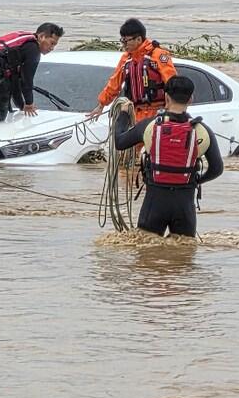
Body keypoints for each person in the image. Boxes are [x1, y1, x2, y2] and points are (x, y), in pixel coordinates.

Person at [113, 75, 223, 237]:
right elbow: (217, 169)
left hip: (154, 203)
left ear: (166, 97)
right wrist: (196, 180)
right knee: (183, 256)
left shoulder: (149, 126)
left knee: (146, 255)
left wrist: (123, 114)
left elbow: (120, 142)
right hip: (185, 205)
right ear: (191, 99)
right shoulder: (203, 131)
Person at [0, 23, 64, 125]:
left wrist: (21, 105)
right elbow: (26, 80)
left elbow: (15, 81)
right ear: (41, 37)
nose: (52, 48)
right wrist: (29, 103)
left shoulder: (23, 43)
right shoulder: (33, 49)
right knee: (0, 112)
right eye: (52, 43)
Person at [87, 18, 178, 124]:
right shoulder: (126, 59)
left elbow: (173, 83)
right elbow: (114, 84)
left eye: (126, 41)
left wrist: (172, 110)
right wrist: (101, 104)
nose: (124, 45)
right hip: (134, 114)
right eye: (122, 41)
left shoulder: (158, 55)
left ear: (138, 39)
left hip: (157, 113)